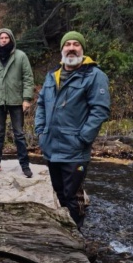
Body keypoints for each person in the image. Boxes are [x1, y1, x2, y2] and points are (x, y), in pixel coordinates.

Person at [35, 31, 110, 229]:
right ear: (61, 50)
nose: (71, 48)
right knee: (59, 193)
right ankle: (66, 232)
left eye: (76, 44)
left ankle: (77, 236)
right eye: (67, 44)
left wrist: (83, 138)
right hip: (51, 147)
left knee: (73, 196)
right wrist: (40, 132)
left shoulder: (94, 76)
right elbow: (41, 104)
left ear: (82, 49)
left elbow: (100, 110)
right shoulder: (52, 76)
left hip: (75, 149)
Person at [0, 28, 34, 178]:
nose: (4, 40)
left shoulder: (21, 56)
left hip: (16, 100)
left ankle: (25, 165)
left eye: (6, 38)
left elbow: (28, 78)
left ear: (11, 40)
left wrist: (26, 99)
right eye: (1, 38)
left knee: (19, 133)